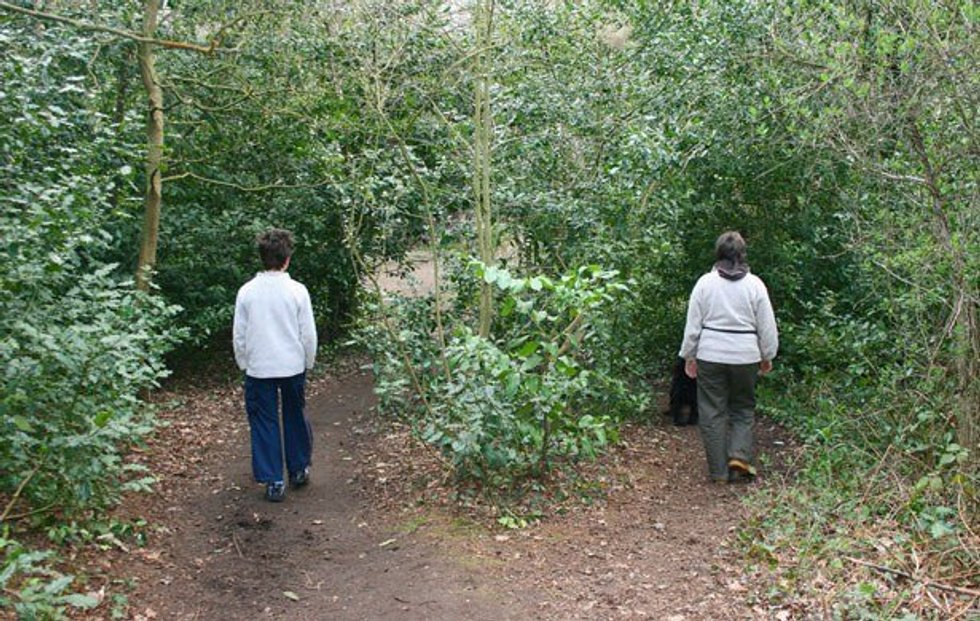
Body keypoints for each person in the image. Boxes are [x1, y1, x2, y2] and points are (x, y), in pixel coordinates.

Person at [678, 231, 778, 484]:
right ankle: (738, 456)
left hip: (710, 354)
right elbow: (766, 325)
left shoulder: (705, 283)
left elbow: (693, 324)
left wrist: (689, 355)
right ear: (742, 254)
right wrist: (767, 354)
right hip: (746, 355)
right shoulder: (755, 285)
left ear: (718, 253)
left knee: (712, 411)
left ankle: (719, 472)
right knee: (743, 407)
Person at [233, 229, 317, 502]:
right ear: (287, 258)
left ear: (262, 257)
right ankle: (299, 468)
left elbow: (240, 334)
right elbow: (308, 333)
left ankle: (273, 479)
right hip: (292, 364)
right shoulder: (297, 291)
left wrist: (243, 362)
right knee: (295, 413)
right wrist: (308, 360)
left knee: (264, 420)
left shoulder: (247, 292)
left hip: (259, 367)